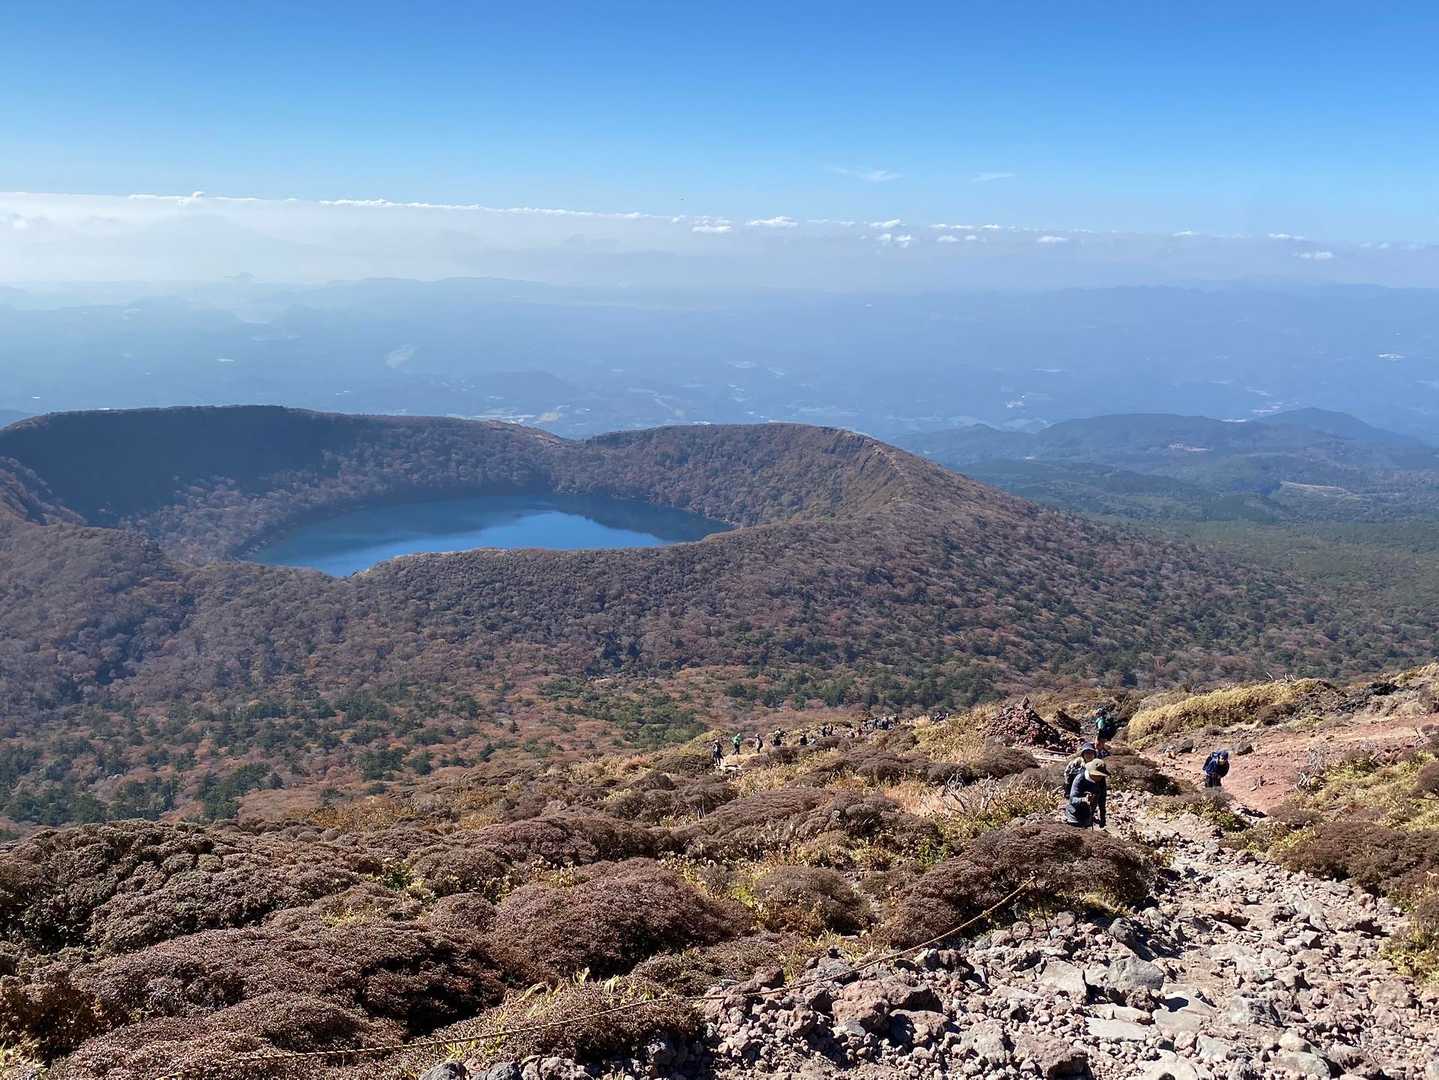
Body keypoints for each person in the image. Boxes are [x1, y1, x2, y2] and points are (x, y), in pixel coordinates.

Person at [1064, 760, 1098, 828]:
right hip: (1074, 814)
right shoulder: (1079, 779)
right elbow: (1072, 800)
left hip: (1086, 814)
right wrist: (1084, 799)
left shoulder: (1096, 781)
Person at [1087, 759, 1109, 828]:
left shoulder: (1102, 780)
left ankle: (1101, 821)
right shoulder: (1085, 776)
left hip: (1100, 788)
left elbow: (1102, 797)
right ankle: (1088, 820)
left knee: (1101, 804)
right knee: (1091, 805)